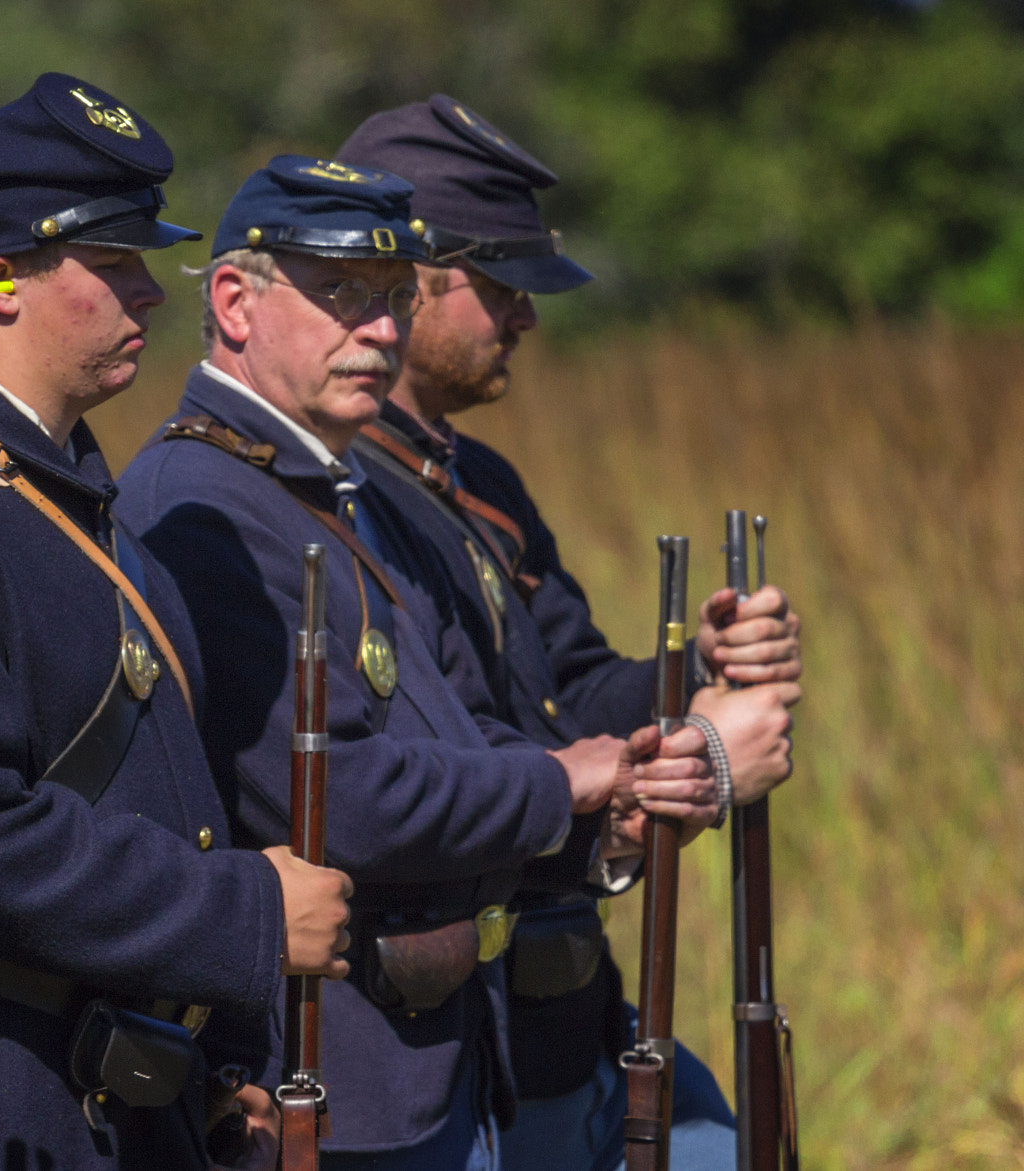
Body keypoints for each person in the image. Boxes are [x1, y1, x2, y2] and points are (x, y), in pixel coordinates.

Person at [0, 74, 355, 1171]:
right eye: (113, 263)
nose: (147, 293)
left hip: (129, 1092)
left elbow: (164, 796)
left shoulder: (63, 496)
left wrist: (227, 1052)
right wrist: (238, 916)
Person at [115, 156, 720, 1169]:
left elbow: (459, 723)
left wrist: (603, 815)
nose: (382, 332)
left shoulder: (330, 485)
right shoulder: (197, 501)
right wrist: (558, 778)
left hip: (433, 1060)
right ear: (232, 300)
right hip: (333, 1076)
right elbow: (332, 794)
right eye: (343, 295)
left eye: (394, 299)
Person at [337, 96, 804, 1170]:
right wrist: (699, 761)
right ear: (411, 281)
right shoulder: (342, 494)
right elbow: (462, 763)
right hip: (460, 1042)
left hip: (568, 1019)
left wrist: (700, 668)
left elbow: (571, 691)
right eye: (500, 286)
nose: (525, 318)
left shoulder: (473, 480)